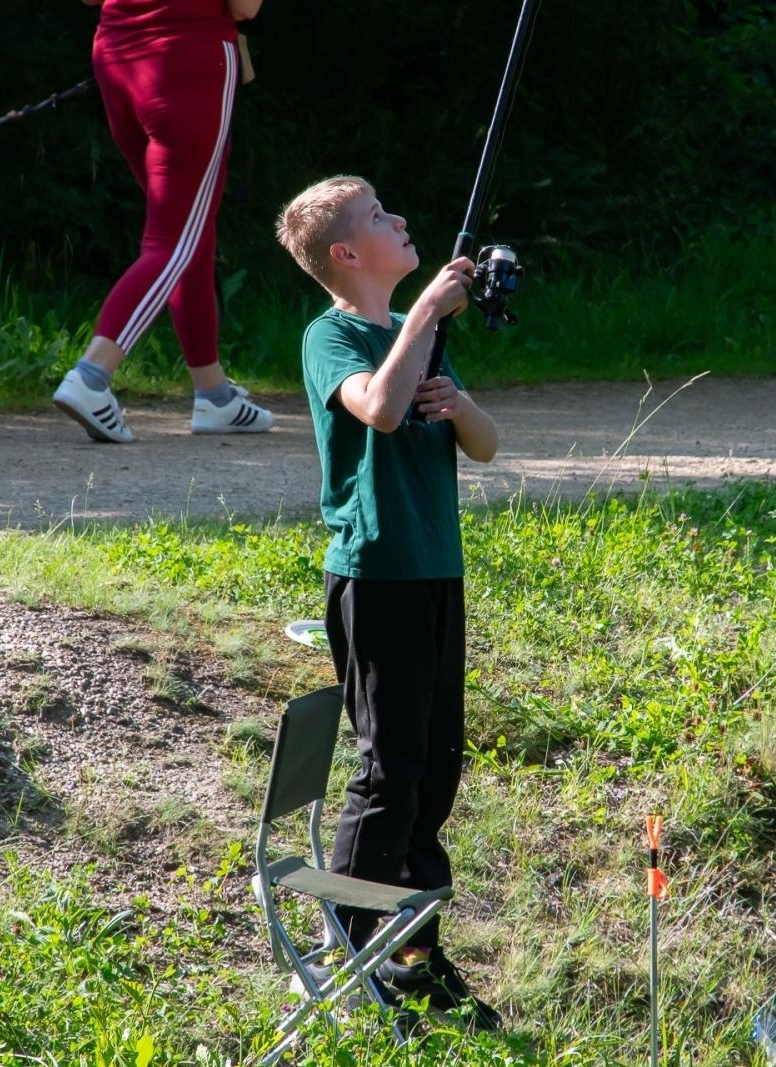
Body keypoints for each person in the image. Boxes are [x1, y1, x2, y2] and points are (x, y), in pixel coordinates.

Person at [274, 176, 502, 1028]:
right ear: (346, 254)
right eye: (379, 216)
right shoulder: (332, 335)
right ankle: (347, 948)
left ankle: (414, 952)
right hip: (376, 574)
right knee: (388, 765)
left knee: (437, 762)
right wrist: (424, 321)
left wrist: (462, 399)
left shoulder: (415, 338)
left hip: (437, 568)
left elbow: (483, 445)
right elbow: (378, 407)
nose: (402, 218)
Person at [53, 0, 274, 443]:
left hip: (117, 57)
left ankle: (214, 395)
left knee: (191, 231)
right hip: (189, 59)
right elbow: (246, 7)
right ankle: (91, 376)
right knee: (173, 242)